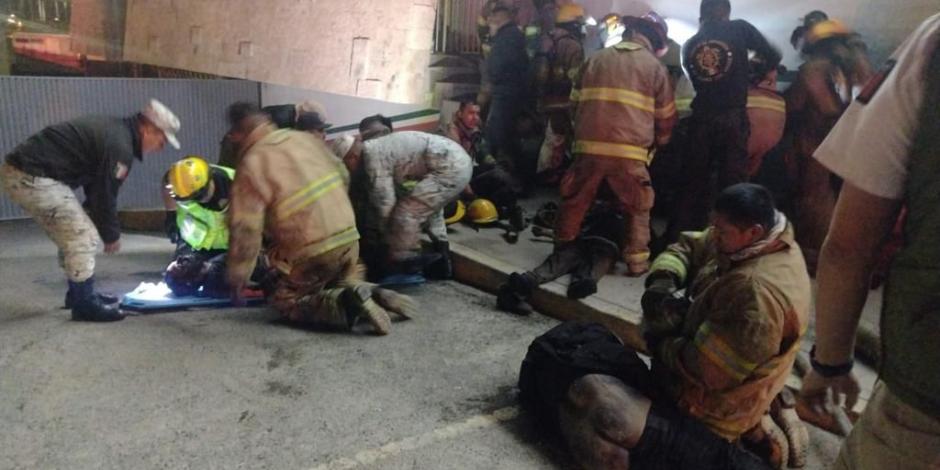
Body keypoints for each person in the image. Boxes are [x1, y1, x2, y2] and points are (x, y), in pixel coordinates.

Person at [555, 183, 809, 469]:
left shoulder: (756, 294)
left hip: (705, 415)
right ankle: (761, 423)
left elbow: (709, 373)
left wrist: (659, 339)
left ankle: (741, 442)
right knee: (577, 379)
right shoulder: (749, 239)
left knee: (600, 423)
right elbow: (688, 245)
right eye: (714, 225)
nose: (714, 233)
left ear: (754, 232)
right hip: (693, 384)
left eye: (721, 231)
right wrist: (664, 279)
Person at [799, 14, 940, 469]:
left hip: (926, 395)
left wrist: (830, 363)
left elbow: (848, 246)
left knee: (824, 209)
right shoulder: (860, 58)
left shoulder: (931, 42)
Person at [223, 102, 412, 335]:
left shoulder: (252, 162)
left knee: (286, 298)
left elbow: (245, 230)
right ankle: (373, 293)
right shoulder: (303, 139)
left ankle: (347, 305)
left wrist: (238, 276)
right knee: (335, 278)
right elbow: (343, 174)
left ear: (239, 132)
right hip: (349, 238)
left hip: (312, 251)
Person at [0, 99, 180, 322]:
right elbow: (105, 195)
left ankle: (78, 295)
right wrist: (111, 234)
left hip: (26, 173)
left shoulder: (116, 132)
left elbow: (95, 185)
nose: (161, 147)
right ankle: (83, 304)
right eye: (162, 140)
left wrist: (96, 217)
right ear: (148, 128)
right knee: (82, 236)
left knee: (74, 230)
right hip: (31, 177)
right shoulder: (119, 145)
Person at [555, 14, 677, 276]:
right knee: (638, 207)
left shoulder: (595, 59)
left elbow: (573, 105)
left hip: (587, 148)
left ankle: (563, 250)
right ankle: (636, 263)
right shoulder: (655, 68)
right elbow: (665, 118)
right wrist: (661, 143)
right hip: (630, 154)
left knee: (575, 200)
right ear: (655, 41)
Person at [667, 0, 781, 239]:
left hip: (701, 119)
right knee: (733, 184)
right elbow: (771, 55)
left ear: (701, 17)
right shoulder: (739, 28)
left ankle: (679, 239)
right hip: (731, 118)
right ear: (726, 14)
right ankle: (732, 240)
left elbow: (694, 78)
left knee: (692, 183)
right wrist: (750, 74)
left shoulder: (689, 45)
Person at [784, 19, 873, 272]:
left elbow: (800, 105)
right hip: (851, 141)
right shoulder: (855, 66)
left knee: (815, 197)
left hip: (818, 141)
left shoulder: (814, 69)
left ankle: (815, 255)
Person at [332, 131, 472, 279]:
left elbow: (384, 202)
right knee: (426, 208)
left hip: (449, 167)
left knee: (406, 212)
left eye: (346, 166)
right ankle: (443, 257)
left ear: (351, 157)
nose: (348, 171)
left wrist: (383, 242)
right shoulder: (378, 148)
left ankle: (403, 264)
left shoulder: (372, 157)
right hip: (457, 161)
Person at [497, 200, 624, 315]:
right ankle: (580, 282)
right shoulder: (626, 204)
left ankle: (526, 282)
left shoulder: (598, 200)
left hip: (586, 241)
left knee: (561, 263)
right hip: (596, 244)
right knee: (588, 266)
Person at [162, 156, 238, 297]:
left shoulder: (239, 185)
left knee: (215, 283)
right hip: (195, 244)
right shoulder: (178, 183)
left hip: (233, 249)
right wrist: (171, 215)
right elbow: (166, 184)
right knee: (177, 281)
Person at [533, 3, 586, 181]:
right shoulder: (572, 46)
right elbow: (576, 78)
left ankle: (545, 172)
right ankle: (552, 174)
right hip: (563, 100)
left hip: (544, 97)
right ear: (574, 24)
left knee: (551, 136)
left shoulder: (547, 38)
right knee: (560, 137)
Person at [484, 4, 530, 175]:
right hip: (511, 92)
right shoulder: (512, 35)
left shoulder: (507, 37)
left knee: (499, 135)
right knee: (506, 135)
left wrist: (491, 84)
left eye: (491, 19)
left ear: (499, 18)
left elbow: (497, 67)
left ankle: (504, 177)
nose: (489, 23)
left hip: (506, 93)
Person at [746, 63, 786, 178]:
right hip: (767, 157)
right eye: (771, 81)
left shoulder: (743, 97)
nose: (774, 84)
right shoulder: (780, 101)